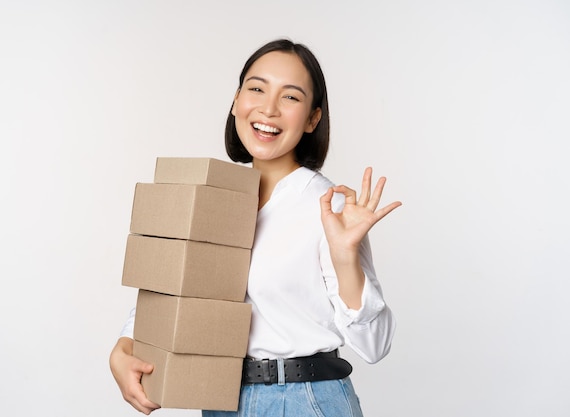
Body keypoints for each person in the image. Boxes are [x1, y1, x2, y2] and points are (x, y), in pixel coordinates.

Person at [109, 38, 401, 417]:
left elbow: (374, 346)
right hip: (221, 398)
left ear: (313, 118)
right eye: (257, 89)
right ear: (236, 100)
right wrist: (125, 346)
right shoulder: (216, 197)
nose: (268, 108)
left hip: (303, 400)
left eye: (290, 97)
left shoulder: (330, 208)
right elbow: (178, 290)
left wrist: (346, 258)